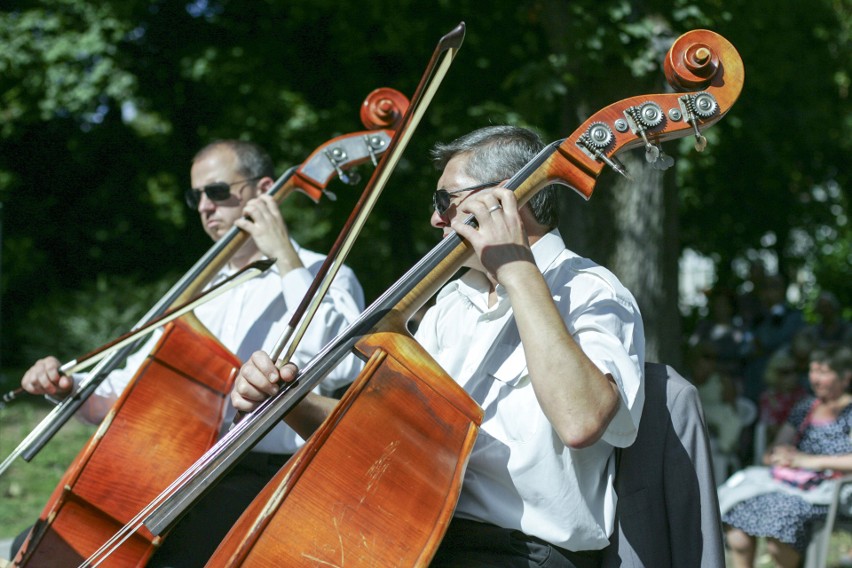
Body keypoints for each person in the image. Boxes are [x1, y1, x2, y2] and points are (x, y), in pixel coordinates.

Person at [232, 125, 645, 566]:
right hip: (424, 537)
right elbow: (393, 434)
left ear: (504, 199)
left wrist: (517, 270)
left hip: (523, 555)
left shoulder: (590, 290)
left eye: (445, 201)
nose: (436, 219)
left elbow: (581, 421)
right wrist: (288, 400)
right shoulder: (452, 302)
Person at [14, 139, 365, 567]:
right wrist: (69, 386)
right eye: (195, 196)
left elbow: (346, 360)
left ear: (264, 190)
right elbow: (131, 385)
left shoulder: (319, 271)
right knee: (33, 546)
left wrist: (284, 258)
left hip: (265, 473)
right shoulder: (199, 288)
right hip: (182, 467)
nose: (204, 206)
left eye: (217, 192)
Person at [719, 343, 852, 568]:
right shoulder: (806, 407)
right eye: (812, 370)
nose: (815, 379)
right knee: (737, 510)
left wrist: (809, 461)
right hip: (789, 484)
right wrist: (779, 455)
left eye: (823, 372)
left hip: (829, 489)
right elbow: (771, 452)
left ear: (845, 377)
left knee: (780, 521)